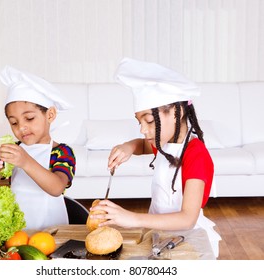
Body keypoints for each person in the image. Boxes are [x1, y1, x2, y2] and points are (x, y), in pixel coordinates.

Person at [89, 57, 221, 258]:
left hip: (188, 241)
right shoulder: (165, 143)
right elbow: (142, 145)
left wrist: (131, 218)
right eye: (139, 121)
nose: (143, 129)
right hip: (160, 236)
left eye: (149, 121)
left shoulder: (196, 154)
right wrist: (128, 147)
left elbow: (187, 219)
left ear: (176, 113)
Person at [0, 66, 76, 230]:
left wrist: (26, 162)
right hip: (17, 230)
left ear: (50, 115)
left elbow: (57, 188)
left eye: (29, 118)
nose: (21, 127)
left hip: (53, 232)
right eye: (14, 123)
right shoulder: (13, 151)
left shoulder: (62, 152)